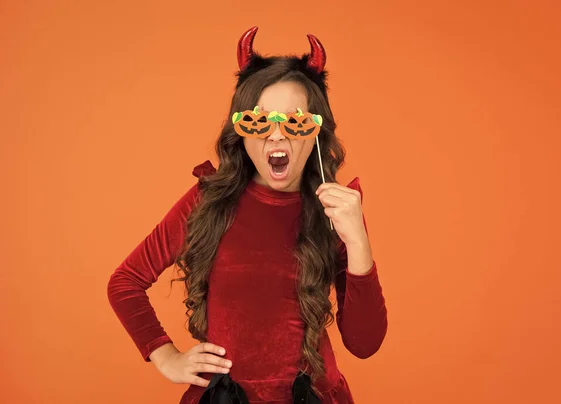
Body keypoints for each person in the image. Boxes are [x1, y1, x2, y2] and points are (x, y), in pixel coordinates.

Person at [107, 26, 388, 404]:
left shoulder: (337, 209)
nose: (276, 136)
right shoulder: (206, 201)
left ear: (316, 133)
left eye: (295, 121)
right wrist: (165, 354)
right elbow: (125, 282)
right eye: (258, 121)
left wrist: (357, 241)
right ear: (240, 130)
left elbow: (365, 343)